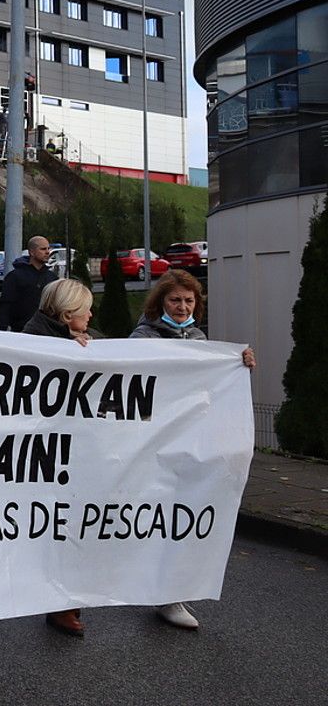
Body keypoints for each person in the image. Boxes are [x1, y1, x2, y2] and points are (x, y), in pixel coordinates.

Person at [129, 269, 255, 631]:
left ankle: (171, 594)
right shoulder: (142, 338)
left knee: (179, 513)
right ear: (160, 303)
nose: (182, 307)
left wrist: (237, 363)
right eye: (174, 300)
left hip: (189, 440)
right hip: (151, 441)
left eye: (188, 301)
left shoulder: (199, 338)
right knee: (147, 513)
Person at [22, 279, 97, 637]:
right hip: (42, 455)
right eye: (85, 310)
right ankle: (54, 601)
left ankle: (64, 603)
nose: (91, 315)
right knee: (50, 527)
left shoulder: (86, 340)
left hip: (77, 451)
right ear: (68, 315)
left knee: (71, 526)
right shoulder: (31, 340)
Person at [0, 235, 56, 331]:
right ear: (31, 252)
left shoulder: (52, 277)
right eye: (43, 249)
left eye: (48, 248)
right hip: (21, 331)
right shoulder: (14, 277)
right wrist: (1, 330)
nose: (47, 252)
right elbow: (5, 305)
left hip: (46, 331)